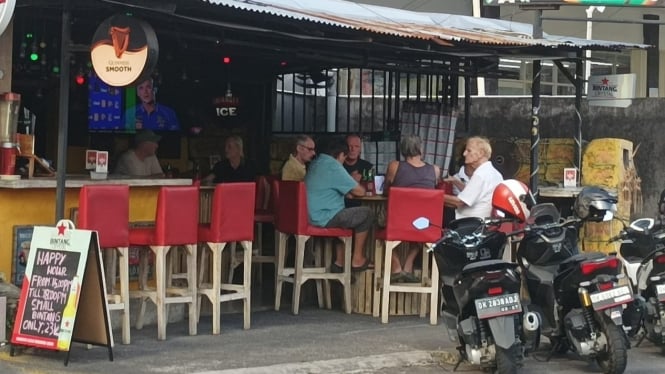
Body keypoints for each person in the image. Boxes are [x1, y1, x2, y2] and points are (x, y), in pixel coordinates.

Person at [305, 136, 374, 272]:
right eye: (344, 157)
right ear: (340, 154)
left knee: (343, 213)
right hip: (324, 217)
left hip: (311, 215)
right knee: (366, 213)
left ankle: (339, 262)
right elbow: (360, 191)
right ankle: (357, 259)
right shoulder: (333, 166)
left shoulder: (317, 163)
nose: (343, 161)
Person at [384, 134, 441, 282]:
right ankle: (408, 265)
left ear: (402, 149)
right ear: (421, 149)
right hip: (424, 225)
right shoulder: (434, 170)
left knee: (377, 225)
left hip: (398, 224)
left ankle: (396, 266)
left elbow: (386, 191)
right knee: (421, 235)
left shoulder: (394, 166)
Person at [444, 136, 503, 219]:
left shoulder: (480, 174)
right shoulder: (495, 173)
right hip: (484, 222)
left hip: (472, 223)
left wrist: (434, 195)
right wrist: (455, 181)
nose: (464, 154)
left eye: (469, 150)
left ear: (481, 153)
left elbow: (461, 202)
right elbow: (472, 193)